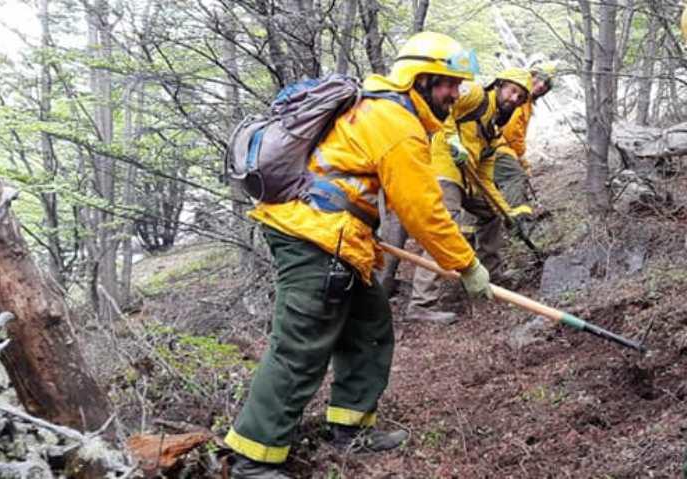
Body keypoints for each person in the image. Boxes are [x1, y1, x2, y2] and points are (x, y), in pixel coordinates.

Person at [225, 32, 493, 479]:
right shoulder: (395, 122)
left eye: (457, 84)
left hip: (339, 238)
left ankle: (351, 428)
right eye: (446, 82)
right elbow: (423, 210)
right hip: (315, 238)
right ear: (419, 79)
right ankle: (252, 458)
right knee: (300, 346)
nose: (454, 93)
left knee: (369, 325)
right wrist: (467, 264)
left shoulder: (384, 109)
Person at [406, 68, 531, 325]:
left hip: (466, 181)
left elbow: (485, 179)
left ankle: (490, 275)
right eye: (512, 90)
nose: (514, 98)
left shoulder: (493, 132)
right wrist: (453, 141)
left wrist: (506, 211)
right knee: (443, 229)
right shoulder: (475, 94)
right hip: (443, 171)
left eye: (520, 97)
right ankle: (421, 304)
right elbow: (446, 110)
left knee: (492, 215)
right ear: (499, 85)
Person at [492, 62, 556, 213]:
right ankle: (518, 220)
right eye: (539, 80)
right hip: (499, 147)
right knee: (515, 176)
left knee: (487, 189)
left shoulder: (526, 103)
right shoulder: (518, 100)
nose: (540, 86)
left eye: (545, 87)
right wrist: (520, 157)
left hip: (497, 146)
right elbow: (511, 132)